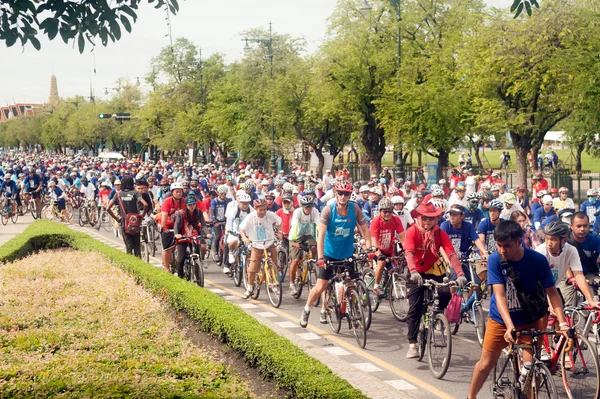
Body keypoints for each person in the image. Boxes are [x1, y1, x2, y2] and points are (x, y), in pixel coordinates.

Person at [467, 220, 568, 399]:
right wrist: (509, 326)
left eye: (507, 246)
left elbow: (552, 293)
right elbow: (499, 296)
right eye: (499, 245)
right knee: (485, 364)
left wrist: (562, 323)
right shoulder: (495, 259)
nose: (502, 250)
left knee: (530, 371)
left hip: (530, 319)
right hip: (501, 321)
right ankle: (471, 397)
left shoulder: (537, 260)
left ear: (519, 241)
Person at [299, 180, 371, 328]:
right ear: (336, 194)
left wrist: (370, 249)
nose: (343, 197)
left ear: (350, 195)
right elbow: (321, 236)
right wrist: (320, 258)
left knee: (351, 283)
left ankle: (354, 311)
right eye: (340, 193)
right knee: (321, 287)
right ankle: (307, 310)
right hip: (329, 254)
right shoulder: (328, 210)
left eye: (346, 194)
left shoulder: (355, 209)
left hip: (346, 253)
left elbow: (365, 231)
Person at [403, 200, 467, 358]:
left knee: (446, 292)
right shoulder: (412, 232)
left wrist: (460, 274)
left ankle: (436, 314)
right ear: (418, 217)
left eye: (430, 218)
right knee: (415, 308)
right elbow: (409, 252)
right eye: (424, 218)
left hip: (433, 269)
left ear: (436, 220)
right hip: (415, 271)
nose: (427, 222)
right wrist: (413, 271)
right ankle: (413, 343)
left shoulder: (439, 233)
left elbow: (450, 253)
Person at [536, 221, 600, 310]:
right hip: (538, 289)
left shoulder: (571, 250)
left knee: (562, 315)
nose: (549, 243)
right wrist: (549, 304)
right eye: (547, 238)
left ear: (564, 240)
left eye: (553, 239)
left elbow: (579, 275)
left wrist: (590, 300)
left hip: (554, 288)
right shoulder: (540, 252)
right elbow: (540, 282)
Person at [239, 198, 282, 299]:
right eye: (260, 210)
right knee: (253, 267)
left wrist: (279, 233)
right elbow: (241, 228)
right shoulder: (250, 217)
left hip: (269, 242)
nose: (262, 212)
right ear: (255, 209)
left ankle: (274, 283)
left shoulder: (270, 215)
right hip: (256, 244)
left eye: (264, 209)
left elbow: (279, 222)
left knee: (274, 263)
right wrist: (245, 238)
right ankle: (249, 288)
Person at [558, 212, 600, 306]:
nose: (582, 229)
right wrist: (571, 278)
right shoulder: (565, 241)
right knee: (569, 304)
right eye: (579, 226)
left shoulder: (595, 239)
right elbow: (564, 264)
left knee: (595, 297)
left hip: (589, 274)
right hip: (568, 275)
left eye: (585, 226)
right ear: (571, 226)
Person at [441, 204, 489, 282]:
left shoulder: (468, 226)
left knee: (474, 283)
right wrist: (446, 258)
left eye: (455, 215)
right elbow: (441, 245)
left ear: (462, 216)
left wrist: (484, 252)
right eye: (450, 214)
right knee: (453, 281)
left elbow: (476, 240)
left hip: (464, 259)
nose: (452, 217)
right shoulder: (445, 226)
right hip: (449, 260)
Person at [370, 198, 405, 295]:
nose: (387, 214)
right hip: (378, 249)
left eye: (390, 211)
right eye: (385, 212)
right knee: (381, 262)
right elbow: (374, 240)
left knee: (395, 269)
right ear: (380, 211)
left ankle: (385, 288)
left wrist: (407, 250)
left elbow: (402, 237)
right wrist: (378, 252)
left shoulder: (396, 219)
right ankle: (376, 286)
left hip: (389, 249)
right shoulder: (376, 221)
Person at [106, 175, 148, 257]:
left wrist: (116, 218)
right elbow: (145, 204)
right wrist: (142, 216)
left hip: (124, 222)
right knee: (137, 247)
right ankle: (138, 265)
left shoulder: (118, 194)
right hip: (135, 221)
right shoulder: (135, 193)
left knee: (128, 247)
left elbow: (108, 208)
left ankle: (130, 267)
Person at [288, 195, 320, 296]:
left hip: (308, 235)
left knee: (315, 247)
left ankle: (312, 263)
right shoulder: (297, 212)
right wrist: (294, 242)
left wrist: (321, 239)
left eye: (310, 206)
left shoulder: (314, 212)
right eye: (306, 207)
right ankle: (292, 284)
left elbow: (319, 225)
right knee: (295, 260)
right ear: (302, 206)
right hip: (296, 236)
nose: (308, 209)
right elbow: (294, 226)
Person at [173, 196, 207, 277]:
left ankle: (198, 273)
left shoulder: (198, 212)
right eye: (189, 205)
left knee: (198, 254)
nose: (192, 206)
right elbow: (176, 225)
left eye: (193, 204)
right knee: (181, 258)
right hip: (183, 236)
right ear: (186, 205)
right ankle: (180, 276)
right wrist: (177, 234)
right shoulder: (180, 213)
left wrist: (207, 233)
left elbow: (204, 225)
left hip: (194, 236)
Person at [224, 191, 254, 274]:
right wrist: (230, 230)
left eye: (247, 204)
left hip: (247, 233)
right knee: (233, 242)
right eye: (243, 203)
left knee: (252, 249)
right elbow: (230, 220)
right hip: (235, 231)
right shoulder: (234, 210)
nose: (245, 206)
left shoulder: (251, 209)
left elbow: (255, 219)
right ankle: (230, 253)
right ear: (239, 203)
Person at [160, 182, 185, 270]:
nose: (178, 194)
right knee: (167, 248)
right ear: (172, 192)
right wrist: (165, 227)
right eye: (176, 192)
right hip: (168, 225)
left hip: (179, 226)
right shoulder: (167, 201)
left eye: (180, 192)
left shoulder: (184, 201)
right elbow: (164, 216)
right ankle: (167, 268)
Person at [210, 184, 232, 265]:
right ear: (218, 193)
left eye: (224, 194)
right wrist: (214, 220)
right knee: (218, 235)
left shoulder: (229, 201)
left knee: (228, 238)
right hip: (217, 221)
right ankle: (215, 252)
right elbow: (212, 211)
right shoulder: (214, 201)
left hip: (226, 221)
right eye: (221, 194)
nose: (223, 195)